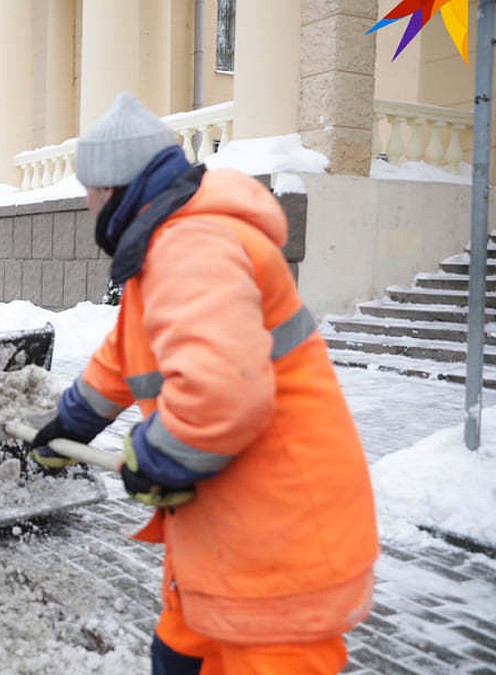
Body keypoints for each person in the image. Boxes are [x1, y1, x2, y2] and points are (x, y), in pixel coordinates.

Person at [29, 92, 378, 673]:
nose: (87, 205)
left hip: (277, 561)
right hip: (225, 550)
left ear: (114, 188)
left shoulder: (191, 244)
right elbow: (125, 355)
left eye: (89, 189)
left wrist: (155, 458)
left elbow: (222, 393)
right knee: (175, 655)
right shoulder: (168, 248)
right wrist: (71, 421)